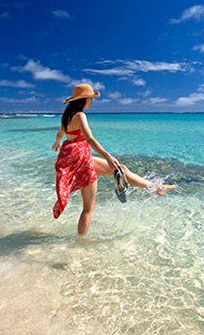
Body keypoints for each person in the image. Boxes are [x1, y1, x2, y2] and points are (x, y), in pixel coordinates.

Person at [52, 83, 176, 235]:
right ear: (83, 100)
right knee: (88, 208)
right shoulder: (80, 115)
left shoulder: (66, 117)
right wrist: (108, 156)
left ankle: (157, 187)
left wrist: (57, 143)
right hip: (81, 160)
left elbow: (60, 133)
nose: (92, 102)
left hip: (76, 157)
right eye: (90, 99)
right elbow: (90, 139)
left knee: (120, 169)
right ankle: (81, 243)